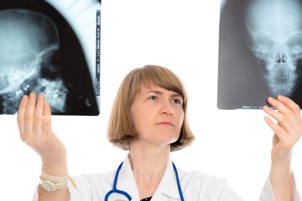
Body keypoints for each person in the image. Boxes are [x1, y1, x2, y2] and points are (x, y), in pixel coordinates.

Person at [17, 64, 301, 201]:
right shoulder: (90, 190)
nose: (169, 108)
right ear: (126, 111)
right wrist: (54, 161)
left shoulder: (208, 192)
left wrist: (282, 159)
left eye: (176, 100)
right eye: (153, 97)